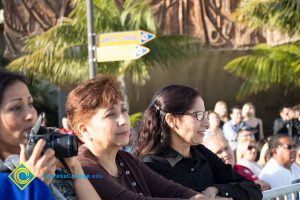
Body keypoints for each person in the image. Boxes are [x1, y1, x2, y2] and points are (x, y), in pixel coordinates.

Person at [66, 74, 206, 200]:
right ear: (84, 130)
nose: (123, 120)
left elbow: (168, 188)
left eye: (123, 110)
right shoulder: (84, 166)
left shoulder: (126, 159)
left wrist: (196, 197)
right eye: (110, 114)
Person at [133, 84, 262, 199]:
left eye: (205, 115)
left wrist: (219, 190)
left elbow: (253, 189)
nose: (207, 123)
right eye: (198, 115)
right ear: (172, 119)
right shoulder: (149, 166)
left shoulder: (202, 153)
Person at [0, 69, 101, 200]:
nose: (30, 115)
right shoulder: (13, 178)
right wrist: (28, 178)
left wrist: (74, 168)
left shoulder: (52, 162)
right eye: (15, 108)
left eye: (30, 104)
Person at [203, 135, 270, 191]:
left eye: (226, 148)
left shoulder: (242, 168)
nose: (226, 154)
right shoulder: (208, 181)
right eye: (219, 152)